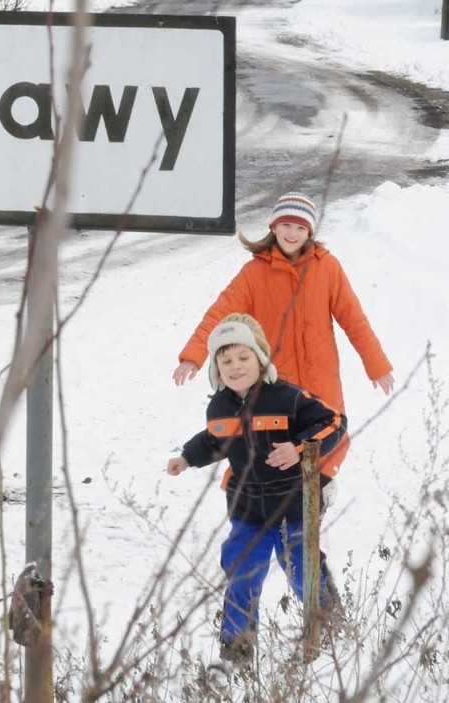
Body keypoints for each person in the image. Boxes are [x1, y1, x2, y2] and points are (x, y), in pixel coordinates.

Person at [167, 313, 347, 663]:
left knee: (301, 568)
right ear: (216, 368)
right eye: (225, 360)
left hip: (292, 505)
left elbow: (334, 422)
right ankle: (238, 646)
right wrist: (187, 457)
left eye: (243, 357)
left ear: (260, 358)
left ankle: (329, 623)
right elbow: (213, 439)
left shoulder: (287, 397)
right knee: (241, 572)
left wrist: (298, 449)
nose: (235, 367)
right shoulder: (219, 405)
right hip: (247, 508)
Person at [172, 191, 393, 475]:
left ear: (309, 232)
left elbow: (354, 319)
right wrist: (193, 356)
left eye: (301, 227)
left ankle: (319, 496)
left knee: (325, 439)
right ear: (273, 226)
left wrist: (376, 365)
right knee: (270, 449)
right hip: (276, 382)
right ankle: (261, 507)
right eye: (286, 225)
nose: (292, 233)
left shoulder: (327, 268)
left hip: (320, 379)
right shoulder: (254, 273)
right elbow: (219, 315)